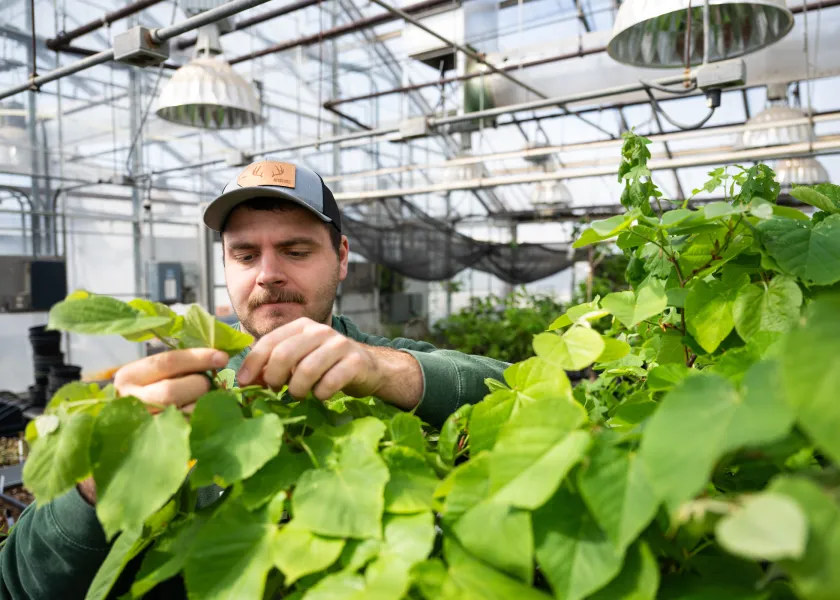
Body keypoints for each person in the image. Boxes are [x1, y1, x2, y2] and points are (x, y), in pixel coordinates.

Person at [0, 160, 509, 599]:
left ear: (343, 257)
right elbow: (19, 585)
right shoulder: (173, 392)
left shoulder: (380, 364)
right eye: (245, 255)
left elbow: (512, 391)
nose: (267, 274)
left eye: (296, 250)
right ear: (226, 264)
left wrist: (380, 370)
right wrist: (98, 484)